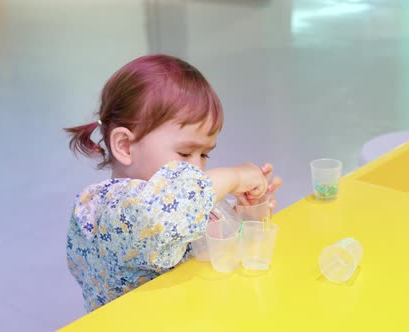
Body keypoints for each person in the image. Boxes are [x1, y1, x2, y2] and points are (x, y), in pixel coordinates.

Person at [64, 54, 282, 312]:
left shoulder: (177, 200)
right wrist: (233, 177)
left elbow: (196, 238)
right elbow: (164, 218)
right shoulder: (115, 206)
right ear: (125, 146)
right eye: (184, 153)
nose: (197, 168)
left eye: (204, 155)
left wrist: (246, 217)